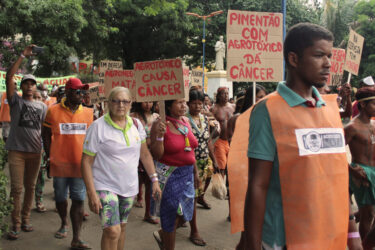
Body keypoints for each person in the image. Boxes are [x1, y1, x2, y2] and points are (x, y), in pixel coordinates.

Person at [238, 23, 361, 249]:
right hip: (284, 240)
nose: (328, 64)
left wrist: (352, 236)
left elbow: (337, 179)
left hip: (328, 236)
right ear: (294, 59)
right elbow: (258, 185)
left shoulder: (330, 108)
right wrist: (252, 244)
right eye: (319, 55)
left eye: (329, 56)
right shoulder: (268, 110)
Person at [81, 87, 161, 250]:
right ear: (109, 103)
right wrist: (91, 194)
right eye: (116, 100)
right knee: (112, 231)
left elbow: (145, 155)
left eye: (125, 101)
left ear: (131, 103)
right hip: (104, 187)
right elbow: (86, 162)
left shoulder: (136, 125)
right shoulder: (97, 127)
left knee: (121, 227)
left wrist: (154, 180)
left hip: (128, 187)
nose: (121, 105)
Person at [42, 78, 93, 249]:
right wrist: (49, 156)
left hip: (80, 165)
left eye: (83, 92)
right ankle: (64, 222)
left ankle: (77, 237)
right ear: (68, 92)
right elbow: (46, 133)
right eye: (78, 92)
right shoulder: (53, 111)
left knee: (78, 199)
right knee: (60, 198)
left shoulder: (88, 113)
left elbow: (93, 139)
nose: (81, 95)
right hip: (60, 164)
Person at [5, 45, 48, 240]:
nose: (29, 86)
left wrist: (48, 151)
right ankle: (15, 223)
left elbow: (45, 130)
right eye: (26, 83)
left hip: (34, 152)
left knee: (30, 187)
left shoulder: (42, 106)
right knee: (17, 188)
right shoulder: (16, 102)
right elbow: (9, 77)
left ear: (35, 87)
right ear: (21, 87)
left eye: (32, 83)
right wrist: (22, 55)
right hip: (16, 151)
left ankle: (25, 219)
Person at [150, 98, 198, 250]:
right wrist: (159, 136)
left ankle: (162, 234)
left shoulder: (185, 121)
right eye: (179, 102)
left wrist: (195, 173)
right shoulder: (160, 124)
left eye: (185, 102)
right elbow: (157, 154)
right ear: (169, 106)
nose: (184, 105)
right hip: (170, 175)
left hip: (188, 174)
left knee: (184, 213)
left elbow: (192, 148)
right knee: (170, 213)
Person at [186, 89, 219, 246]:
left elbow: (208, 141)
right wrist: (194, 171)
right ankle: (194, 230)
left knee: (197, 192)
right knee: (191, 196)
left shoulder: (205, 120)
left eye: (200, 103)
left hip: (205, 160)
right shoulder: (184, 120)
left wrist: (214, 160)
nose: (198, 106)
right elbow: (189, 147)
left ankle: (181, 220)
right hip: (190, 164)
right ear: (188, 104)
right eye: (194, 103)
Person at [345, 87, 375, 249]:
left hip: (374, 171)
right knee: (367, 215)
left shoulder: (373, 124)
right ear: (363, 105)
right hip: (361, 173)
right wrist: (351, 169)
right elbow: (334, 153)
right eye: (374, 104)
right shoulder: (352, 127)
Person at [130, 101, 160, 224]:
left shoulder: (156, 117)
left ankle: (148, 213)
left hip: (151, 155)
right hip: (136, 155)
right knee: (135, 181)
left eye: (150, 102)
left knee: (150, 183)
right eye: (145, 102)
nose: (148, 104)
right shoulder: (132, 117)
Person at [211, 87, 235, 177]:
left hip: (232, 141)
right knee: (222, 167)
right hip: (220, 141)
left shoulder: (233, 106)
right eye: (223, 94)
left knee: (232, 167)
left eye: (227, 93)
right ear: (218, 96)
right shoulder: (214, 109)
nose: (226, 96)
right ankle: (221, 188)